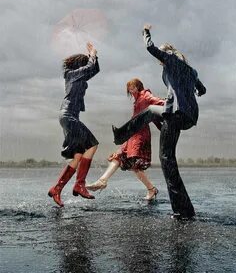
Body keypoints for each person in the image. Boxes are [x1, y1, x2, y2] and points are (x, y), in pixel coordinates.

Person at [112, 25, 206, 220]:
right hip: (188, 116)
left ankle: (182, 211)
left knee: (166, 158)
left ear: (166, 53)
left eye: (160, 59)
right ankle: (185, 210)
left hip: (175, 113)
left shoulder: (170, 59)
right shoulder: (192, 70)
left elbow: (150, 47)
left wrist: (145, 32)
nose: (160, 62)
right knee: (153, 115)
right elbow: (202, 89)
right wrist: (188, 89)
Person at [86, 78, 165, 201]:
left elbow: (157, 102)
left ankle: (151, 189)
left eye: (133, 87)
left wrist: (167, 103)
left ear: (139, 87)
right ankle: (103, 181)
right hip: (133, 134)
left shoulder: (145, 95)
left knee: (134, 163)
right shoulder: (137, 100)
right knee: (119, 156)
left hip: (141, 135)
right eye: (129, 88)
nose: (130, 89)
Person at [48, 42, 100, 207]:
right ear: (80, 65)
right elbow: (91, 69)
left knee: (78, 155)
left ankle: (57, 188)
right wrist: (92, 53)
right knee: (92, 145)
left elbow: (94, 69)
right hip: (69, 116)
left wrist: (93, 57)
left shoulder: (73, 74)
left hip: (69, 117)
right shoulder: (73, 74)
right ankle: (79, 184)